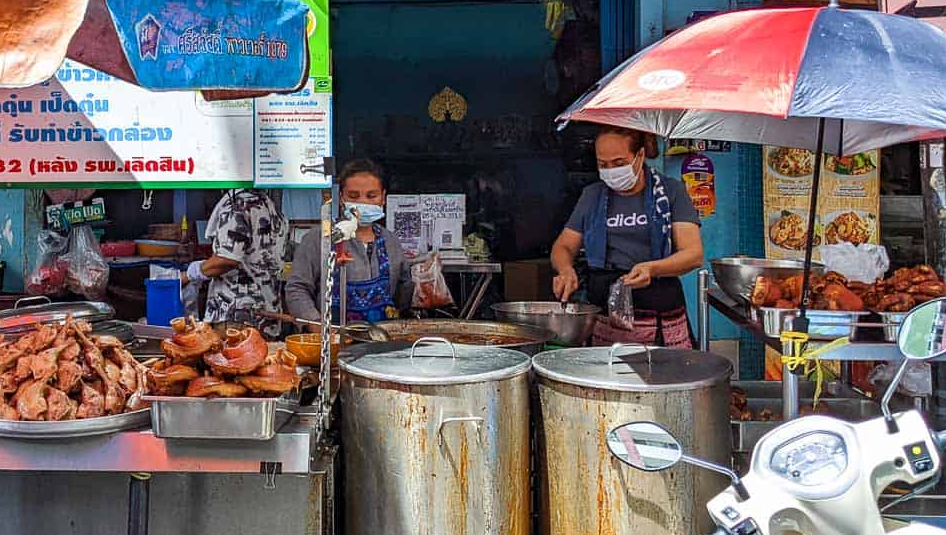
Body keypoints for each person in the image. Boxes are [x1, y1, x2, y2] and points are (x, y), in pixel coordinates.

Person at [551, 126, 704, 348]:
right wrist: (565, 270)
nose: (610, 170)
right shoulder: (592, 196)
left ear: (640, 155)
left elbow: (693, 255)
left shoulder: (671, 191)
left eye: (619, 163)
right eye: (602, 164)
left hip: (659, 311)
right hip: (604, 314)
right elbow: (564, 245)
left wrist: (652, 269)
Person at [286, 159, 412, 325]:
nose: (362, 203)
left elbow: (403, 292)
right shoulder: (318, 239)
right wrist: (314, 323)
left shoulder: (391, 242)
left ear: (383, 198)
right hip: (333, 342)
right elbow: (297, 288)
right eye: (353, 196)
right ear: (341, 198)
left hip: (383, 342)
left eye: (371, 196)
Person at [181, 189, 289, 338]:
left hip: (236, 319)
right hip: (267, 316)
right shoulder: (271, 207)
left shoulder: (237, 205)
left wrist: (190, 274)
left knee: (229, 360)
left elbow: (226, 259)